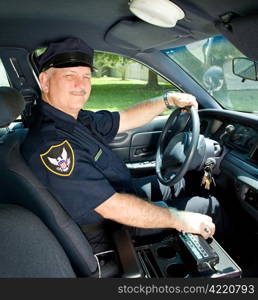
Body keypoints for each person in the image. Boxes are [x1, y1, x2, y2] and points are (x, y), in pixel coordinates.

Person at [21, 37, 224, 252]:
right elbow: (111, 207)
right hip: (118, 229)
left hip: (124, 195)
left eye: (86, 76)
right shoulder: (51, 145)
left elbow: (125, 118)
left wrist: (167, 100)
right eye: (70, 76)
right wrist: (179, 219)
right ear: (44, 81)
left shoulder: (76, 118)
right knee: (209, 207)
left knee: (182, 182)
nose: (81, 85)